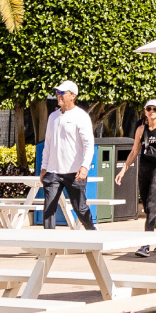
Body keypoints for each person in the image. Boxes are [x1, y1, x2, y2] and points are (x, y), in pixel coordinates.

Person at [116, 100, 156, 255]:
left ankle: (145, 244)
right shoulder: (141, 130)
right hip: (144, 170)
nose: (151, 111)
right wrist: (123, 171)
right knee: (147, 207)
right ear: (145, 111)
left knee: (151, 205)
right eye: (149, 109)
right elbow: (134, 152)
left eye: (155, 109)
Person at [41, 81, 95, 229]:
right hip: (53, 172)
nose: (59, 95)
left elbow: (89, 145)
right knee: (48, 210)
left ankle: (92, 232)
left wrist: (84, 167)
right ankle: (49, 246)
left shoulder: (81, 116)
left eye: (62, 92)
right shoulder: (52, 117)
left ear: (73, 96)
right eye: (57, 92)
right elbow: (48, 144)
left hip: (74, 173)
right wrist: (44, 167)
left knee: (81, 208)